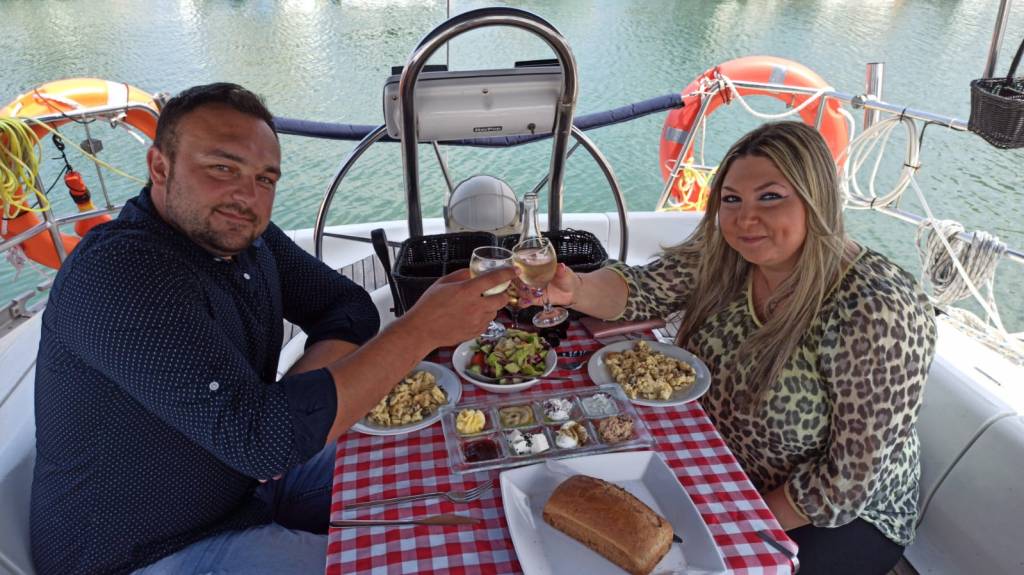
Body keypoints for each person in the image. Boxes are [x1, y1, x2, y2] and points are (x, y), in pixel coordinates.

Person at [30, 83, 514, 575]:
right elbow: (263, 442)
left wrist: (292, 405)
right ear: (160, 167)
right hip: (149, 548)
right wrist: (420, 330)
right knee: (403, 564)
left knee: (452, 464)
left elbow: (347, 308)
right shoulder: (120, 273)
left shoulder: (241, 236)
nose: (247, 195)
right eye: (222, 168)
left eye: (265, 178)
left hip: (249, 484)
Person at [528, 122, 937, 574]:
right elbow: (643, 290)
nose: (744, 219)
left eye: (770, 197)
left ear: (816, 199)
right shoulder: (727, 255)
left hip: (834, 519)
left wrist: (728, 521)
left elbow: (844, 486)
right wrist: (575, 288)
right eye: (732, 199)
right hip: (722, 464)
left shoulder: (878, 311)